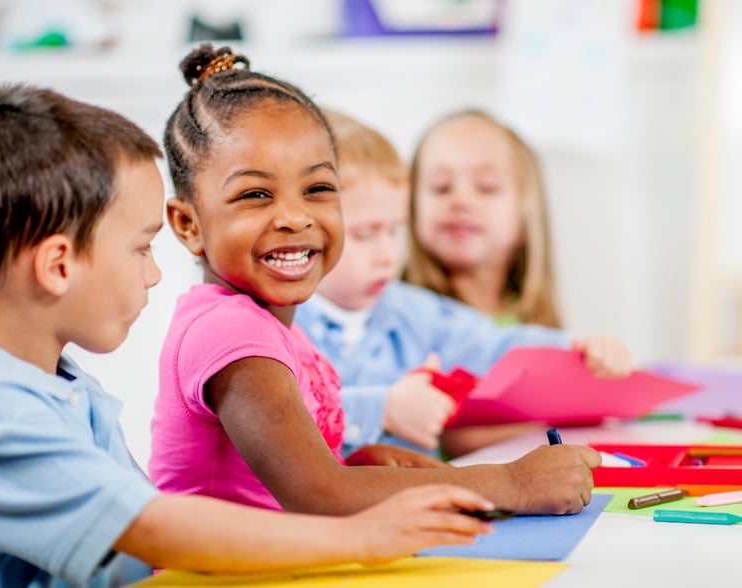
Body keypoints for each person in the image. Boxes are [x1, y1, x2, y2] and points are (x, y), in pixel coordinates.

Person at [0, 83, 503, 588]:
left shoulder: (55, 382)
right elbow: (151, 529)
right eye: (141, 249)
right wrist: (356, 534)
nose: (154, 274)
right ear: (59, 265)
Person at [150, 43, 601, 521]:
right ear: (188, 225)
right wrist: (512, 483)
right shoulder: (231, 334)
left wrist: (359, 464)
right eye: (256, 194)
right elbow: (320, 494)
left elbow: (294, 481)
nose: (295, 217)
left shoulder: (276, 328)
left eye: (318, 188)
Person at [295, 110, 632, 459]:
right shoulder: (281, 323)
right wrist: (382, 409)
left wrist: (578, 350)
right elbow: (277, 414)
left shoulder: (412, 310)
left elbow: (492, 345)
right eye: (366, 234)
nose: (388, 255)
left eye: (395, 231)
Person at [404, 109, 562, 327]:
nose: (460, 200)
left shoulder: (537, 332)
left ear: (526, 215)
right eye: (441, 187)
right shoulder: (396, 320)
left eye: (487, 187)